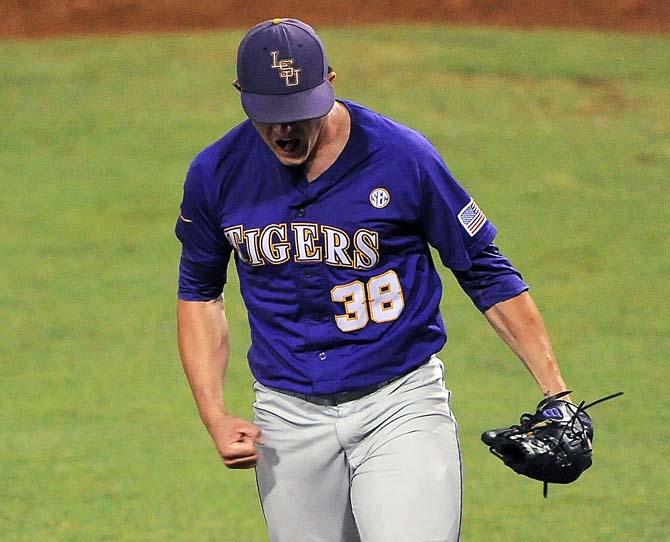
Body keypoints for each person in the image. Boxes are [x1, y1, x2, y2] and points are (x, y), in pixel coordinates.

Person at [175, 18, 571, 542]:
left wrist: (555, 391)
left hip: (399, 403)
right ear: (242, 96)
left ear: (331, 83)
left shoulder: (402, 156)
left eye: (299, 114)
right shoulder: (216, 172)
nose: (285, 130)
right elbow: (201, 294)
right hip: (287, 416)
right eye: (271, 116)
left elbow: (483, 268)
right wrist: (214, 415)